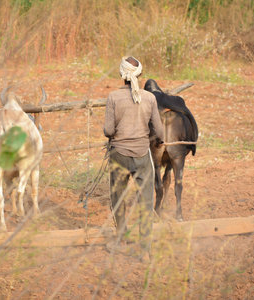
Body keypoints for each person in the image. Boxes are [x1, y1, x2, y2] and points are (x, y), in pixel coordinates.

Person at [103, 56, 164, 262]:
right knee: (146, 202)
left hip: (118, 154)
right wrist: (156, 139)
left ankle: (120, 239)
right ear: (139, 75)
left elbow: (108, 130)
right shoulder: (150, 98)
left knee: (118, 197)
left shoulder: (113, 97)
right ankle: (145, 250)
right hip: (141, 155)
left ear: (122, 75)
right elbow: (159, 131)